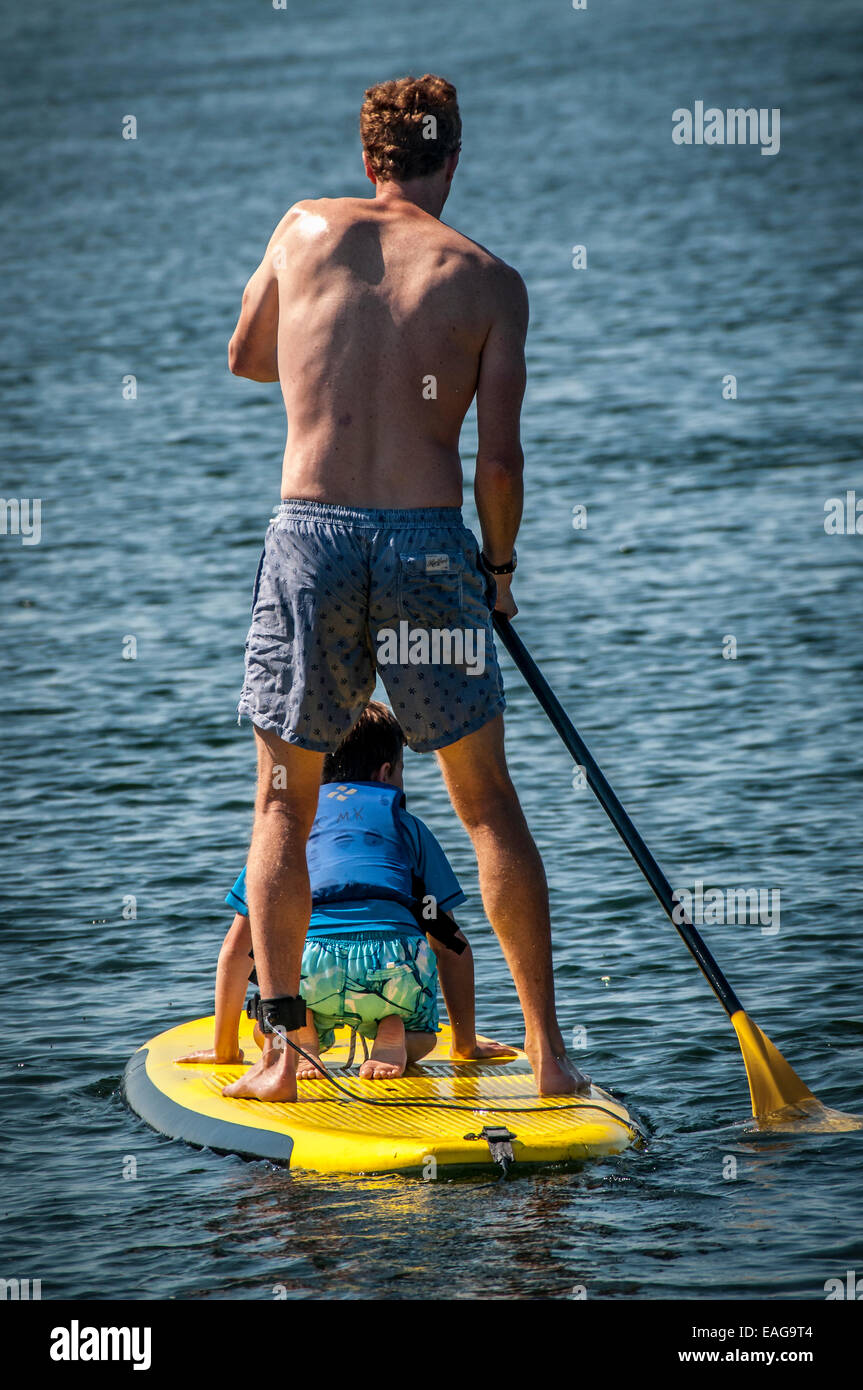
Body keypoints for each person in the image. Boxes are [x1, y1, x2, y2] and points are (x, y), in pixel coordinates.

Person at [225, 71, 589, 1101]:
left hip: (313, 538)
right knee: (484, 805)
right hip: (432, 546)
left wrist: (333, 355)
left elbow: (247, 355)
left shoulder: (300, 229)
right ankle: (549, 1056)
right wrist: (501, 577)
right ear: (453, 160)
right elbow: (501, 465)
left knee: (282, 803)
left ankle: (282, 1058)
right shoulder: (489, 280)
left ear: (367, 159)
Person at [182, 702, 515, 1081]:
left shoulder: (286, 832)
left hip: (309, 966)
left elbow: (236, 948)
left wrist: (224, 1049)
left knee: (266, 1031)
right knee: (423, 1036)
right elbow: (450, 943)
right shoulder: (408, 829)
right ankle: (396, 1031)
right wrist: (465, 1044)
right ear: (387, 772)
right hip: (393, 966)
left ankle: (301, 1031)